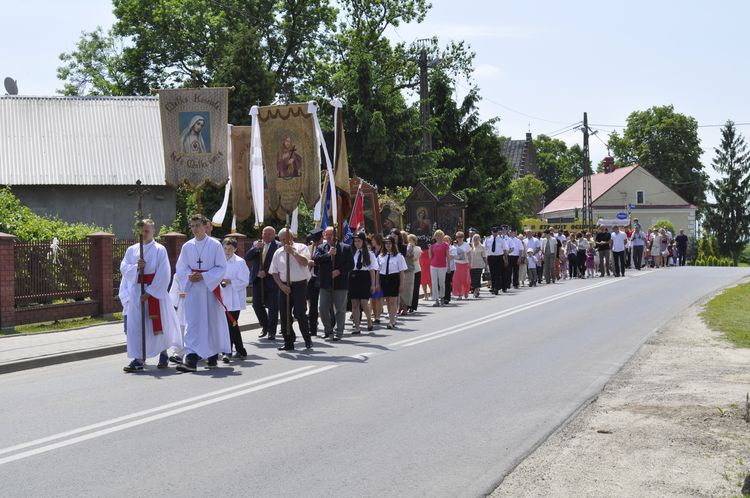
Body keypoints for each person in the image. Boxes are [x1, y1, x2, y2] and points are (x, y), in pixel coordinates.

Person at [120, 219, 180, 372]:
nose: (144, 234)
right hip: (136, 292)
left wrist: (150, 292)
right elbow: (124, 267)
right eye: (142, 231)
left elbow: (164, 273)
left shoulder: (160, 249)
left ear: (154, 231)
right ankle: (139, 358)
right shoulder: (132, 250)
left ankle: (163, 353)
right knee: (136, 326)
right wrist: (136, 267)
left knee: (157, 326)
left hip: (154, 294)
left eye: (147, 230)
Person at [175, 214, 230, 372]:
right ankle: (191, 358)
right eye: (192, 226)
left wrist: (205, 276)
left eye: (197, 225)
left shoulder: (214, 245)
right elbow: (181, 267)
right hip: (193, 290)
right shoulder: (187, 246)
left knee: (210, 323)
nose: (194, 229)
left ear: (205, 226)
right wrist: (189, 276)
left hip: (209, 289)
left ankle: (212, 356)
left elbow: (221, 267)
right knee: (192, 323)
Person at [270, 228, 312, 351]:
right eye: (281, 240)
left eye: (285, 239)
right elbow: (274, 272)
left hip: (299, 285)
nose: (283, 242)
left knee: (300, 313)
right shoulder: (278, 252)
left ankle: (307, 339)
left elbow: (305, 263)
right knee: (284, 314)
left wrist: (293, 253)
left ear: (291, 238)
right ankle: (288, 341)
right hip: (284, 286)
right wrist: (281, 286)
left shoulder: (302, 248)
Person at [314, 226, 354, 341]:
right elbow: (316, 260)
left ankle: (339, 332)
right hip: (325, 283)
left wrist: (339, 271)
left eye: (331, 234)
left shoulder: (345, 248)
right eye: (327, 234)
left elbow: (350, 264)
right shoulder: (321, 247)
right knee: (322, 308)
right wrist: (328, 254)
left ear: (336, 235)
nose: (329, 237)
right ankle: (328, 330)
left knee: (340, 309)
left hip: (340, 284)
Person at [245, 226, 281, 340]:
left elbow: (279, 264)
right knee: (256, 305)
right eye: (265, 233)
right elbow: (247, 257)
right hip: (257, 280)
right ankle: (265, 326)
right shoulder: (257, 244)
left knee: (273, 307)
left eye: (270, 234)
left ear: (274, 235)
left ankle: (272, 331)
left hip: (272, 280)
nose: (266, 236)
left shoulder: (278, 246)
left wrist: (266, 272)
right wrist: (256, 248)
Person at [220, 237, 250, 361]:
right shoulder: (219, 261)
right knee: (232, 325)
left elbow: (245, 281)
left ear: (235, 249)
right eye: (225, 249)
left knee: (230, 325)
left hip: (234, 300)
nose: (227, 251)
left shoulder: (240, 262)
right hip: (222, 299)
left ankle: (227, 352)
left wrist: (230, 281)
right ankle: (241, 350)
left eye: (230, 249)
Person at [349, 232, 379, 333]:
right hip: (353, 277)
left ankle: (369, 321)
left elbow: (372, 270)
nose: (357, 243)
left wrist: (373, 284)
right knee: (354, 303)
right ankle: (357, 326)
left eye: (359, 241)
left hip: (364, 278)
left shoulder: (369, 254)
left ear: (363, 242)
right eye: (355, 241)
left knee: (364, 303)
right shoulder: (351, 252)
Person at [378, 235, 407, 329]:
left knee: (392, 301)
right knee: (387, 300)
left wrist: (402, 284)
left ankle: (391, 320)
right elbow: (378, 271)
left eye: (389, 243)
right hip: (384, 279)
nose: (388, 245)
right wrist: (377, 283)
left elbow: (402, 272)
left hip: (394, 279)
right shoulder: (381, 256)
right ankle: (392, 318)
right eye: (386, 243)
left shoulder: (399, 256)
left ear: (393, 244)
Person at [306, 228, 324, 336]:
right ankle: (312, 328)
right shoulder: (308, 249)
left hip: (322, 278)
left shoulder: (325, 248)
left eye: (319, 240)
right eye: (315, 240)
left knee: (325, 304)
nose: (317, 242)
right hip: (312, 279)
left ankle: (330, 325)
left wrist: (315, 262)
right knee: (313, 305)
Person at [429, 230, 449, 306]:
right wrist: (429, 249)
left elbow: (447, 256)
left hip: (442, 266)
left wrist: (449, 266)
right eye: (436, 235)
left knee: (441, 282)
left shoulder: (445, 245)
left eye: (440, 235)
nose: (438, 237)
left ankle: (442, 297)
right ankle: (436, 299)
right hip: (433, 265)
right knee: (434, 283)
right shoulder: (433, 246)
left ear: (442, 236)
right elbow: (430, 257)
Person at [484, 226, 506, 294]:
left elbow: (504, 249)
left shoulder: (501, 239)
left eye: (496, 232)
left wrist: (505, 259)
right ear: (492, 232)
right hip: (491, 258)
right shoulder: (487, 239)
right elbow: (485, 249)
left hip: (499, 257)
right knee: (492, 273)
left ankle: (496, 288)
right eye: (494, 232)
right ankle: (493, 287)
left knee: (498, 273)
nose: (495, 234)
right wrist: (486, 258)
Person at [399, 230, 416, 314]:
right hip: (399, 271)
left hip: (408, 270)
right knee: (399, 290)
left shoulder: (409, 245)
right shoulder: (396, 246)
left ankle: (405, 308)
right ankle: (400, 307)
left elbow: (407, 253)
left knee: (407, 290)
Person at [370, 234, 385, 323]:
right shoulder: (372, 251)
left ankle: (378, 316)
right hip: (372, 275)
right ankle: (374, 314)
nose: (372, 241)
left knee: (379, 297)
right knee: (372, 297)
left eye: (373, 240)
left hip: (380, 276)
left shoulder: (383, 250)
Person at [452, 231, 471, 299]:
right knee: (457, 280)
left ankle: (466, 292)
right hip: (456, 264)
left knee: (465, 280)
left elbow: (469, 255)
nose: (459, 238)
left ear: (463, 237)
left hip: (465, 264)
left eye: (460, 237)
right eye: (457, 237)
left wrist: (470, 263)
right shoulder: (454, 245)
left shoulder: (466, 245)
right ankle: (460, 294)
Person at [469, 234, 488, 298]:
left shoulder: (482, 247)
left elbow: (484, 257)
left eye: (477, 239)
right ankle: (476, 289)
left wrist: (486, 265)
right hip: (472, 265)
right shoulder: (471, 246)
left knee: (477, 278)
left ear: (479, 239)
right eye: (474, 239)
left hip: (479, 265)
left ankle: (476, 291)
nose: (475, 240)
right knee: (472, 279)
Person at [409, 235, 422, 312]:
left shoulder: (417, 248)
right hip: (409, 271)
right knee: (409, 289)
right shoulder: (407, 248)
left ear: (414, 241)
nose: (409, 242)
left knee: (415, 289)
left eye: (410, 240)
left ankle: (413, 306)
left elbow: (414, 258)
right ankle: (408, 305)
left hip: (416, 270)